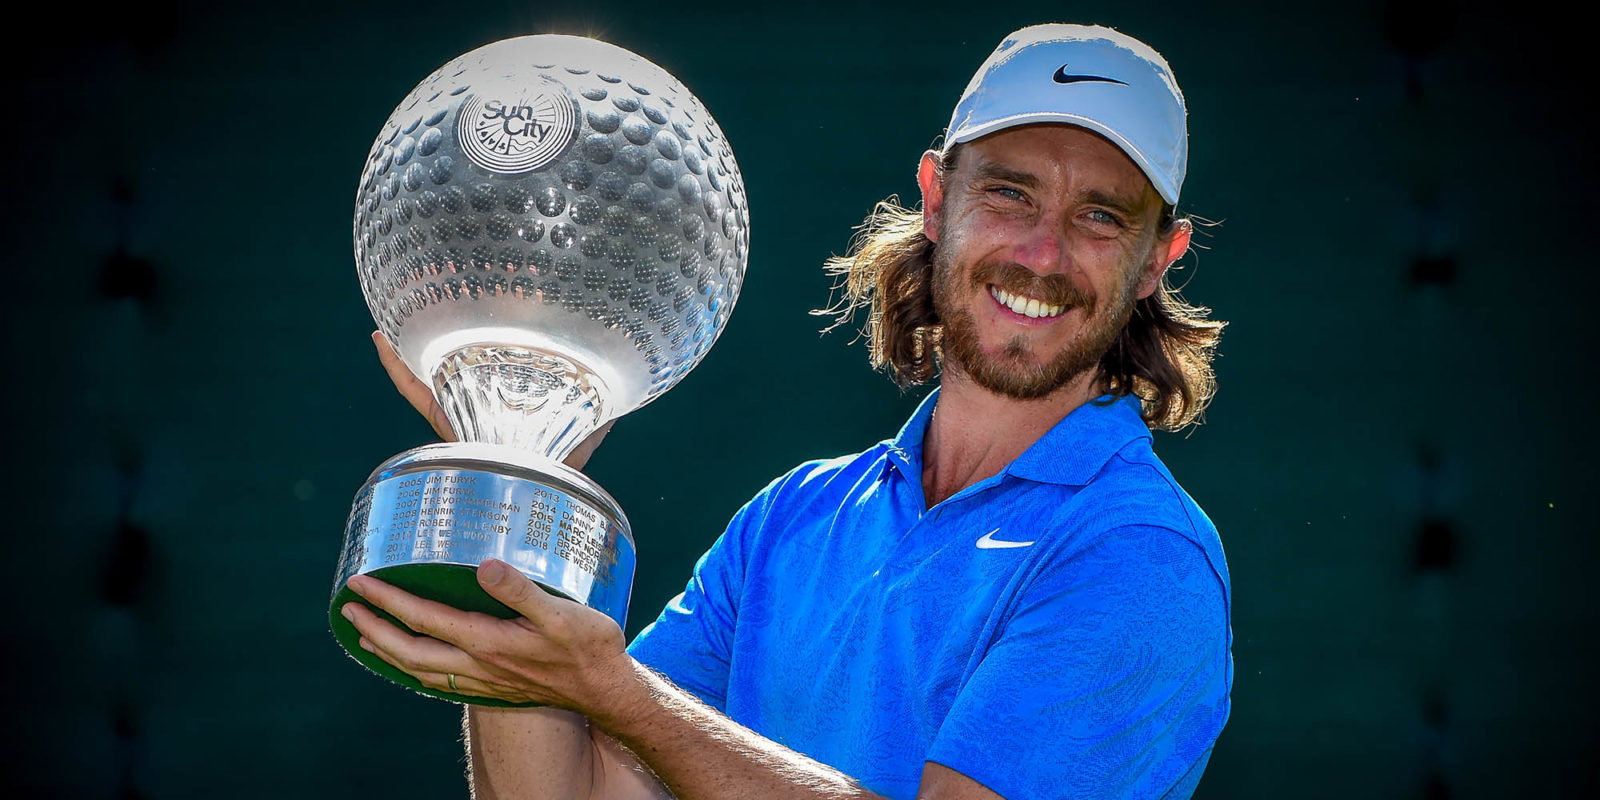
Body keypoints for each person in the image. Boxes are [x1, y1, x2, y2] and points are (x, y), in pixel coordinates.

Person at [342, 23, 1232, 800]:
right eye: (1009, 193)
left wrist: (613, 692)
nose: (1042, 253)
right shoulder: (792, 518)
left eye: (1101, 216)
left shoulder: (1140, 554)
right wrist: (521, 483)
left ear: (1160, 258)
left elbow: (633, 716)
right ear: (936, 199)